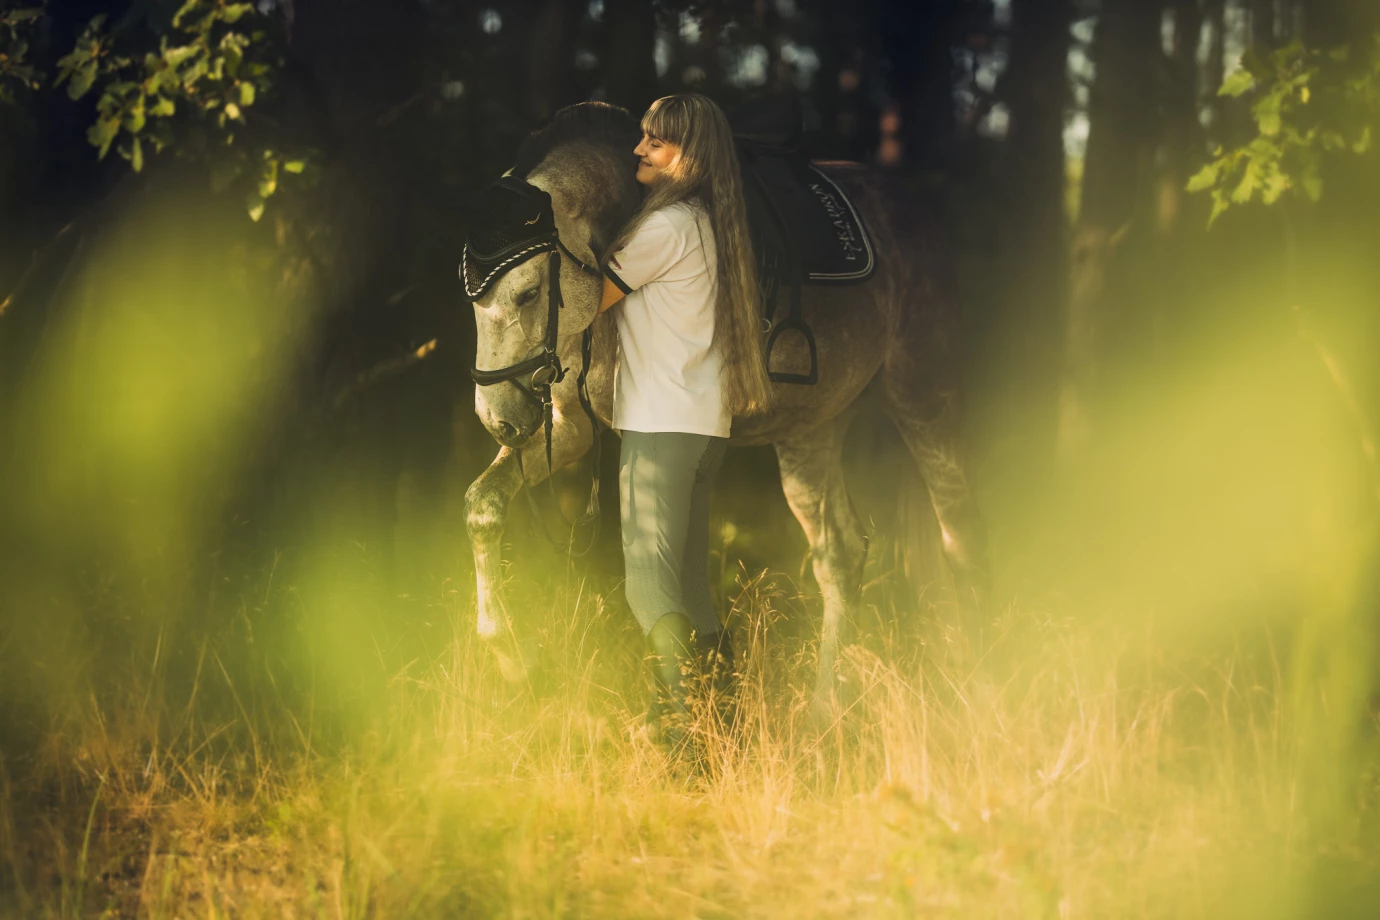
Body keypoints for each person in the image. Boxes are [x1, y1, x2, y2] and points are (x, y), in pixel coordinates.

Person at [598, 94, 772, 744]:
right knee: (692, 593)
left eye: (656, 142)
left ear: (688, 156)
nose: (639, 149)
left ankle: (689, 738)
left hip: (659, 426)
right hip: (704, 428)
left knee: (647, 590)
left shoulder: (664, 229)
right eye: (642, 136)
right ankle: (723, 728)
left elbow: (589, 299)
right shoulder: (705, 223)